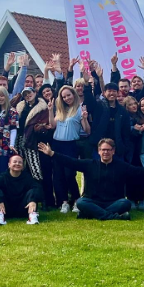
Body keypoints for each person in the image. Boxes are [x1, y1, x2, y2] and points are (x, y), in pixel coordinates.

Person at [37, 139, 144, 221]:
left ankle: (91, 214)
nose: (106, 152)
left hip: (114, 201)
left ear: (113, 151)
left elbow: (139, 172)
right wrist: (52, 154)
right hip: (93, 200)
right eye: (103, 150)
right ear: (99, 151)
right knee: (80, 202)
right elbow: (70, 162)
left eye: (108, 150)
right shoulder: (90, 164)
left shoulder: (121, 166)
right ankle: (114, 217)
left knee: (125, 203)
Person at [49, 85, 90, 213]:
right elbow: (52, 125)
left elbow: (87, 131)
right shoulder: (61, 110)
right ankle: (64, 202)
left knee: (69, 174)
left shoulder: (79, 109)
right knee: (58, 174)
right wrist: (50, 111)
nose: (67, 98)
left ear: (73, 94)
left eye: (68, 95)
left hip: (71, 145)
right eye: (64, 97)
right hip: (57, 144)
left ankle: (76, 200)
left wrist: (85, 118)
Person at [14, 86, 54, 209]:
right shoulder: (21, 107)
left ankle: (44, 199)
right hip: (20, 141)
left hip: (33, 142)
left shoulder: (42, 107)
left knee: (37, 171)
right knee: (22, 170)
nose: (28, 95)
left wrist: (40, 127)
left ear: (35, 93)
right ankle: (24, 199)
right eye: (25, 94)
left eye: (29, 93)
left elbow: (46, 124)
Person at [0, 154, 42, 225]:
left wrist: (33, 200)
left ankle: (32, 216)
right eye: (14, 162)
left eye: (20, 162)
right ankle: (0, 217)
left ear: (23, 166)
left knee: (33, 192)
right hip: (5, 208)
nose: (17, 164)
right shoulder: (2, 177)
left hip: (23, 208)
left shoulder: (27, 177)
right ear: (9, 164)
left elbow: (37, 188)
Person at [0, 86, 19, 194]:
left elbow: (13, 129)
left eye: (2, 95)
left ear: (6, 96)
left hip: (5, 145)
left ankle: (6, 194)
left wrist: (12, 144)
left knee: (3, 171)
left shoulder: (12, 112)